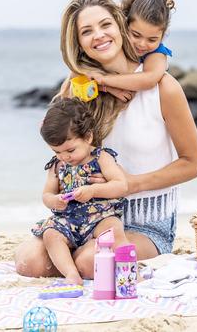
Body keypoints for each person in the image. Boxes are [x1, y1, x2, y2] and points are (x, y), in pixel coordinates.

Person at [15, 0, 197, 279]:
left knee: (92, 261)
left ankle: (86, 259)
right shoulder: (79, 89)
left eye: (105, 25)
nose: (99, 36)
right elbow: (59, 145)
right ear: (78, 43)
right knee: (29, 262)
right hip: (83, 216)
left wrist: (129, 184)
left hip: (145, 222)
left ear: (120, 25)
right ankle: (80, 254)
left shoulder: (163, 88)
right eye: (86, 31)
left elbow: (193, 163)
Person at [34, 97, 130, 285]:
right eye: (57, 151)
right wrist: (55, 201)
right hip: (68, 219)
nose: (64, 157)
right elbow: (46, 194)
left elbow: (121, 185)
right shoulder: (57, 165)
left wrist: (93, 190)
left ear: (88, 137)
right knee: (50, 234)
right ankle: (71, 273)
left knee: (114, 229)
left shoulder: (101, 157)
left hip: (100, 216)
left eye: (70, 150)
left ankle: (128, 268)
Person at [88, 0, 176, 102]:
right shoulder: (115, 40)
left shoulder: (157, 53)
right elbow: (82, 69)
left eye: (152, 39)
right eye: (136, 35)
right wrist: (109, 88)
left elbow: (149, 79)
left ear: (163, 36)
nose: (142, 44)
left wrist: (104, 80)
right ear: (125, 24)